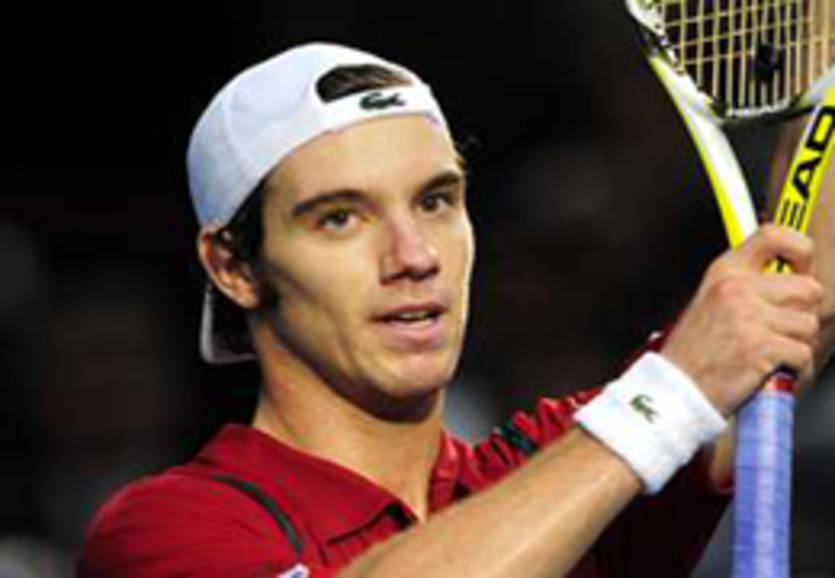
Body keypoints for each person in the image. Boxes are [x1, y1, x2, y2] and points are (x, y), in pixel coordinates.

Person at [78, 42, 824, 577]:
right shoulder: (160, 533)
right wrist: (669, 399)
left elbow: (805, 286)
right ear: (234, 267)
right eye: (340, 218)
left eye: (435, 201)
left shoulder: (567, 458)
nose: (413, 255)